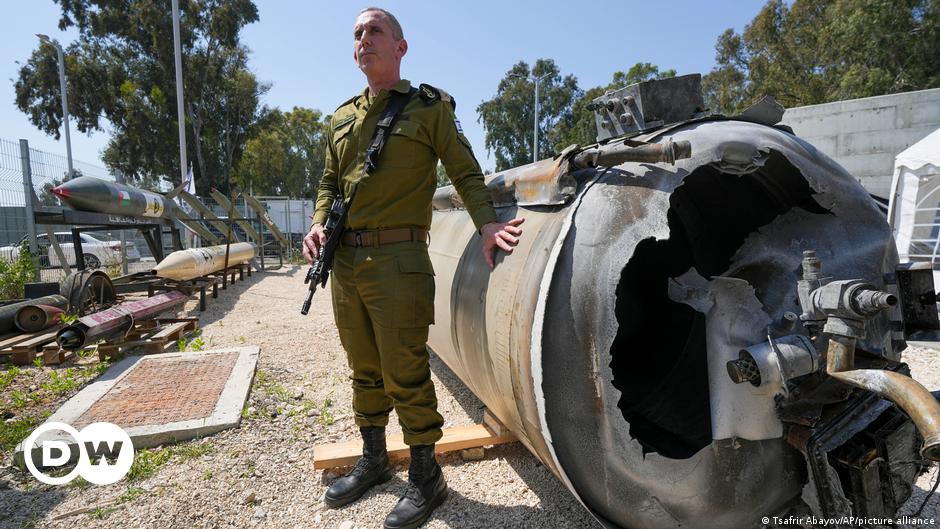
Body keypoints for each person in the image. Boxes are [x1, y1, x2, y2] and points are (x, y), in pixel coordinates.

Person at [302, 7, 524, 529]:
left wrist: (488, 225)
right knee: (364, 368)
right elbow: (329, 185)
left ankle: (428, 478)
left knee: (405, 369)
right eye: (357, 33)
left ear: (401, 48)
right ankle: (376, 460)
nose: (364, 39)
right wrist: (316, 224)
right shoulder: (340, 118)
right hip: (346, 261)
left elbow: (466, 171)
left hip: (398, 258)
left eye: (375, 30)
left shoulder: (429, 109)